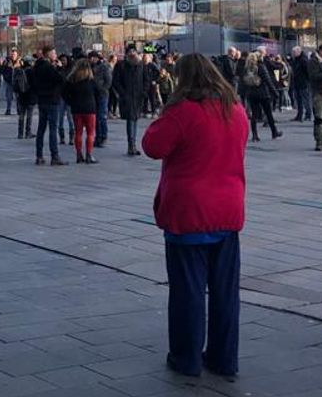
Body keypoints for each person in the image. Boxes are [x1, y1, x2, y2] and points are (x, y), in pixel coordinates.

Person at [141, 53, 248, 379]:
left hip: (189, 212)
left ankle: (186, 358)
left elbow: (152, 146)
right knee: (225, 292)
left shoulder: (183, 111)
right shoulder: (236, 110)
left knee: (188, 290)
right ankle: (223, 358)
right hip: (228, 210)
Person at [62, 59, 103, 164]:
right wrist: (97, 105)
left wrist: (71, 102)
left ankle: (79, 155)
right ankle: (89, 155)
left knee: (78, 133)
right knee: (90, 133)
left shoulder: (72, 80)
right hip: (90, 109)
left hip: (76, 109)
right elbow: (99, 94)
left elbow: (64, 93)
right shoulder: (91, 81)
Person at [30, 47, 65, 165]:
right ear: (48, 54)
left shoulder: (37, 67)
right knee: (52, 129)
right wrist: (60, 68)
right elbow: (60, 79)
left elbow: (33, 82)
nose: (56, 55)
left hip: (42, 99)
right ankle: (54, 156)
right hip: (52, 99)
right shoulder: (49, 67)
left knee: (41, 128)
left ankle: (39, 155)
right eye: (54, 53)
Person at [113, 46, 147, 156]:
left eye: (134, 51)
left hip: (137, 96)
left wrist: (144, 92)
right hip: (128, 96)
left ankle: (132, 145)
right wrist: (122, 93)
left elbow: (146, 79)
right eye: (130, 51)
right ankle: (131, 145)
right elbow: (116, 81)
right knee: (131, 119)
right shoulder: (122, 65)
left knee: (135, 119)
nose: (132, 53)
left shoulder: (141, 65)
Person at [239, 51, 280, 142]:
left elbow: (243, 81)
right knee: (268, 113)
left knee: (254, 114)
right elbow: (267, 80)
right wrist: (275, 92)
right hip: (263, 94)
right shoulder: (261, 67)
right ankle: (274, 132)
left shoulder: (247, 68)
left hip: (251, 94)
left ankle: (254, 135)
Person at [90, 51, 112, 148]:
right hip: (93, 94)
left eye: (93, 58)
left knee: (101, 116)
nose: (91, 60)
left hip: (102, 94)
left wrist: (102, 88)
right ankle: (98, 137)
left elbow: (108, 80)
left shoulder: (103, 67)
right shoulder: (89, 67)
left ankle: (103, 136)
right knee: (95, 117)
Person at [289, 47, 312, 122]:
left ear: (299, 52)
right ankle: (299, 115)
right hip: (297, 83)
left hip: (303, 83)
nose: (293, 54)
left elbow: (308, 71)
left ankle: (308, 115)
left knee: (305, 100)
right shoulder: (296, 60)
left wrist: (307, 81)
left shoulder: (303, 60)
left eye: (294, 52)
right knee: (298, 100)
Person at [13, 57, 35, 138]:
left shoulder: (19, 71)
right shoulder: (32, 71)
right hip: (30, 96)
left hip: (21, 95)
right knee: (29, 115)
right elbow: (34, 84)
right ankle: (28, 132)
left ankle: (20, 133)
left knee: (21, 115)